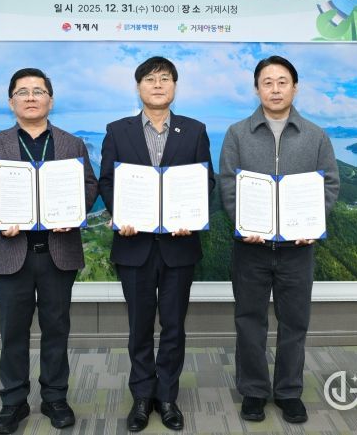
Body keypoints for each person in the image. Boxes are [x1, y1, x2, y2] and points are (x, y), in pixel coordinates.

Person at [0, 68, 98, 434]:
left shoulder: (72, 144)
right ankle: (13, 402)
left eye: (38, 91)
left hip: (58, 252)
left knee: (57, 329)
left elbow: (89, 185)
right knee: (13, 332)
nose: (30, 97)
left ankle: (55, 398)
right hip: (11, 252)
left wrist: (74, 214)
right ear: (11, 102)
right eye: (22, 92)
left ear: (50, 100)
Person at [218, 55, 339, 425]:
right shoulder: (237, 134)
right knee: (249, 321)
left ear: (295, 88)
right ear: (256, 89)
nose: (275, 89)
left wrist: (310, 224)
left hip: (297, 250)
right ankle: (253, 391)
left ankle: (288, 392)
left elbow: (330, 184)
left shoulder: (315, 135)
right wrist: (243, 222)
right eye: (267, 82)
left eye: (282, 82)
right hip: (250, 248)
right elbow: (227, 184)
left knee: (294, 323)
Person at [99, 56, 215, 432]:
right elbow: (107, 181)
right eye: (150, 79)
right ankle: (141, 396)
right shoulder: (118, 131)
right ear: (138, 87)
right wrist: (121, 213)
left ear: (175, 86)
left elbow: (206, 181)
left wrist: (190, 217)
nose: (158, 85)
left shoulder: (194, 131)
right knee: (139, 327)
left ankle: (167, 397)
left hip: (179, 246)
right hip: (134, 245)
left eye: (165, 78)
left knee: (174, 326)